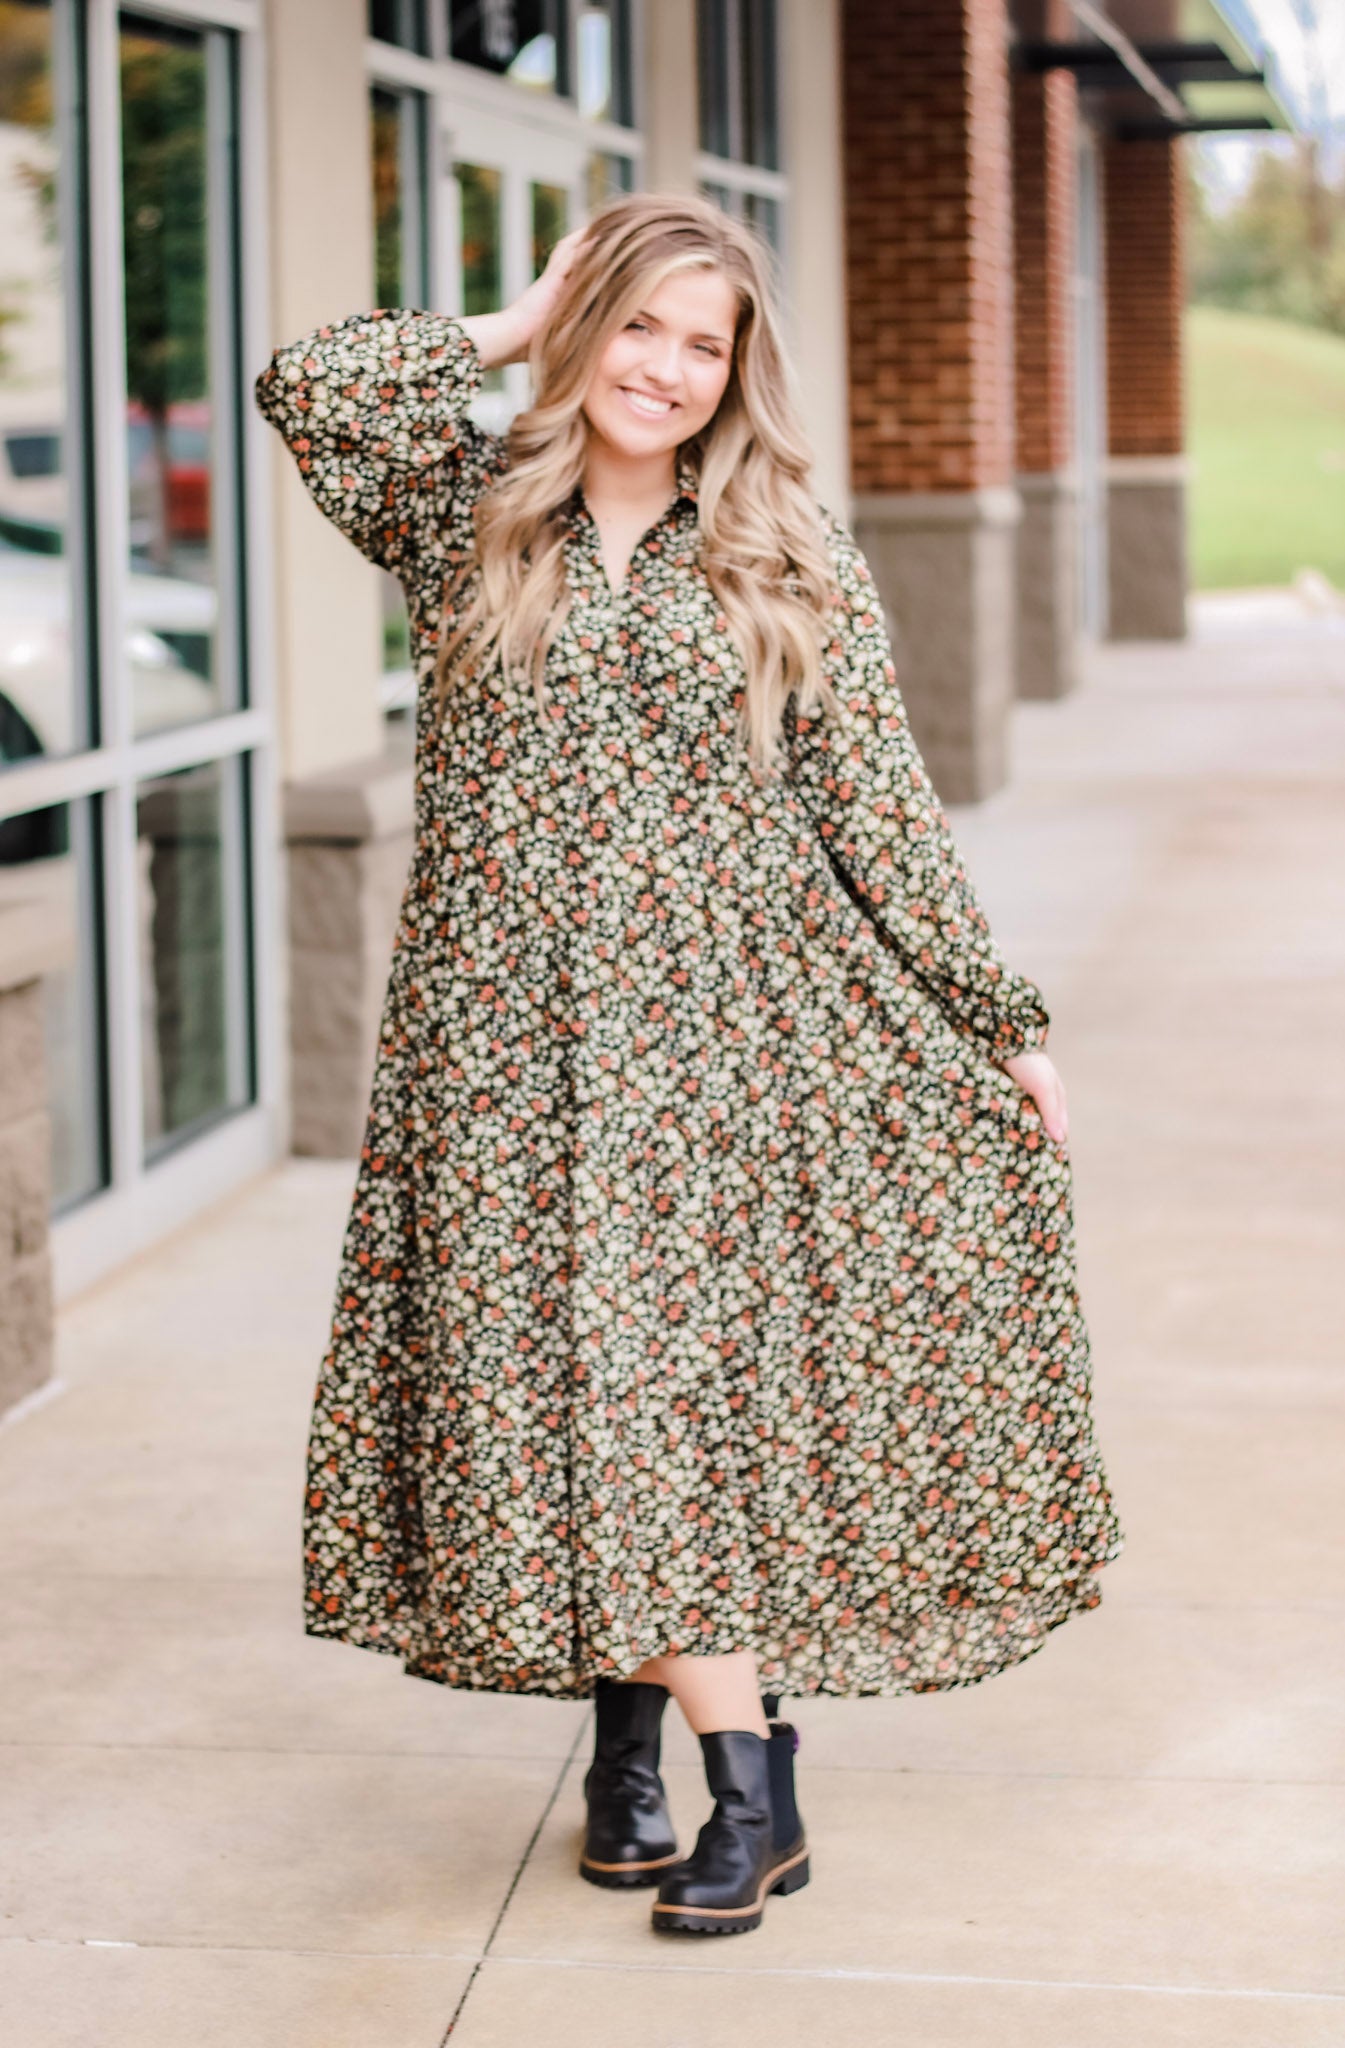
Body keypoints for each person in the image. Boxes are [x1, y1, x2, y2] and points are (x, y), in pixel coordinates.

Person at [254, 192, 1125, 1939]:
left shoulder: (784, 553)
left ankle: (747, 1791)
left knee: (659, 1394)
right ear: (589, 331)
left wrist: (996, 1017)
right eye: (636, 325)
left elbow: (876, 806)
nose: (663, 368)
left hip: (719, 1047)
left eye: (701, 342)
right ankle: (627, 1761)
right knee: (560, 1388)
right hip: (496, 1052)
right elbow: (310, 383)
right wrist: (515, 323)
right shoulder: (463, 508)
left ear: (738, 373)